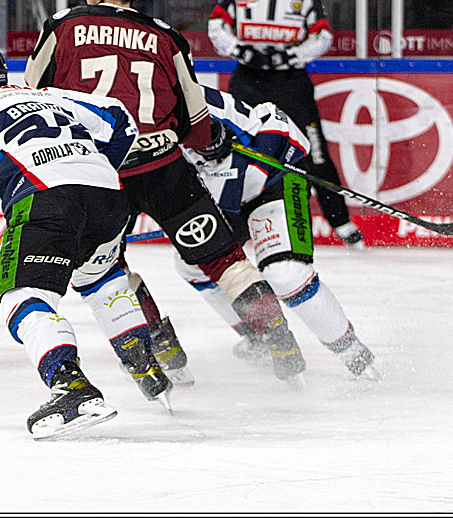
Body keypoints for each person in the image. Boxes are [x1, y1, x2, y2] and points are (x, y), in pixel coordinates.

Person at [24, 0, 307, 383]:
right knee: (224, 259)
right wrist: (212, 142)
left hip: (98, 173)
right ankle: (278, 337)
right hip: (163, 167)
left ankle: (163, 349)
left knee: (106, 268)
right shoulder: (165, 35)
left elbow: (33, 100)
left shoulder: (62, 27)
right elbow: (195, 119)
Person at [0, 43, 172, 440]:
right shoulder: (45, 96)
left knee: (20, 296)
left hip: (46, 199)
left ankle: (71, 386)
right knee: (100, 277)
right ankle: (144, 364)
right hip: (109, 195)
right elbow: (121, 121)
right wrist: (86, 169)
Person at [129, 86, 377, 377]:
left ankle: (356, 356)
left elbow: (277, 121)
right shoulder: (125, 133)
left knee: (286, 273)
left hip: (274, 180)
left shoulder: (185, 101)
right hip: (220, 199)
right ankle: (259, 336)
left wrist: (258, 162)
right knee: (192, 265)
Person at [208, 0, 364, 248]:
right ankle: (234, 223)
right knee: (238, 150)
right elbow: (216, 27)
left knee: (315, 152)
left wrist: (290, 56)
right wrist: (241, 51)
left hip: (291, 83)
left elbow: (323, 36)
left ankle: (341, 223)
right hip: (248, 80)